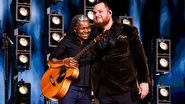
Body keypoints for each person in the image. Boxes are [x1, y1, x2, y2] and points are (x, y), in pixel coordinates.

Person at [91, 2, 151, 104]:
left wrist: (144, 81)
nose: (97, 15)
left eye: (100, 11)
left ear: (109, 12)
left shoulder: (128, 31)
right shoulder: (92, 33)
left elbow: (140, 58)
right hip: (102, 90)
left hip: (125, 88)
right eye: (94, 13)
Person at [48, 14, 92, 104]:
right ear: (75, 29)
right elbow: (51, 61)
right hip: (68, 89)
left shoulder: (91, 42)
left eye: (88, 27)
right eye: (83, 28)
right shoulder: (67, 41)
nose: (86, 31)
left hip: (86, 91)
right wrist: (64, 61)